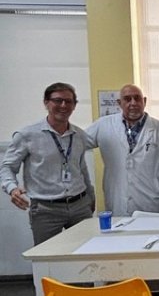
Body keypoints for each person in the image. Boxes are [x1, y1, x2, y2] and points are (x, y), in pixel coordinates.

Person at [0, 82, 95, 245]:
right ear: (46, 103)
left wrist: (90, 197)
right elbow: (7, 167)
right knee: (47, 256)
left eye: (68, 101)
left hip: (80, 206)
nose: (63, 105)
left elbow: (81, 168)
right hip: (46, 210)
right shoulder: (27, 135)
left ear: (74, 105)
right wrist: (12, 189)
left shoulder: (79, 135)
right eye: (57, 100)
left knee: (85, 252)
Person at [85, 84, 159, 216]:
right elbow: (77, 143)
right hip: (117, 198)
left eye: (137, 98)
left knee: (151, 229)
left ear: (144, 101)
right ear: (119, 103)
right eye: (127, 99)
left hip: (151, 198)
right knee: (119, 228)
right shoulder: (103, 125)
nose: (133, 103)